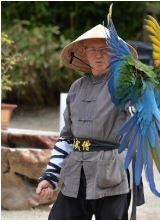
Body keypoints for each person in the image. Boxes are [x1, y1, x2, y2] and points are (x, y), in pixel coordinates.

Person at [36, 24, 144, 220]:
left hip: (112, 173)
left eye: (105, 49)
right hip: (76, 173)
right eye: (92, 50)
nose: (98, 55)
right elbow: (67, 138)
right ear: (84, 54)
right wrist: (50, 177)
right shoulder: (76, 88)